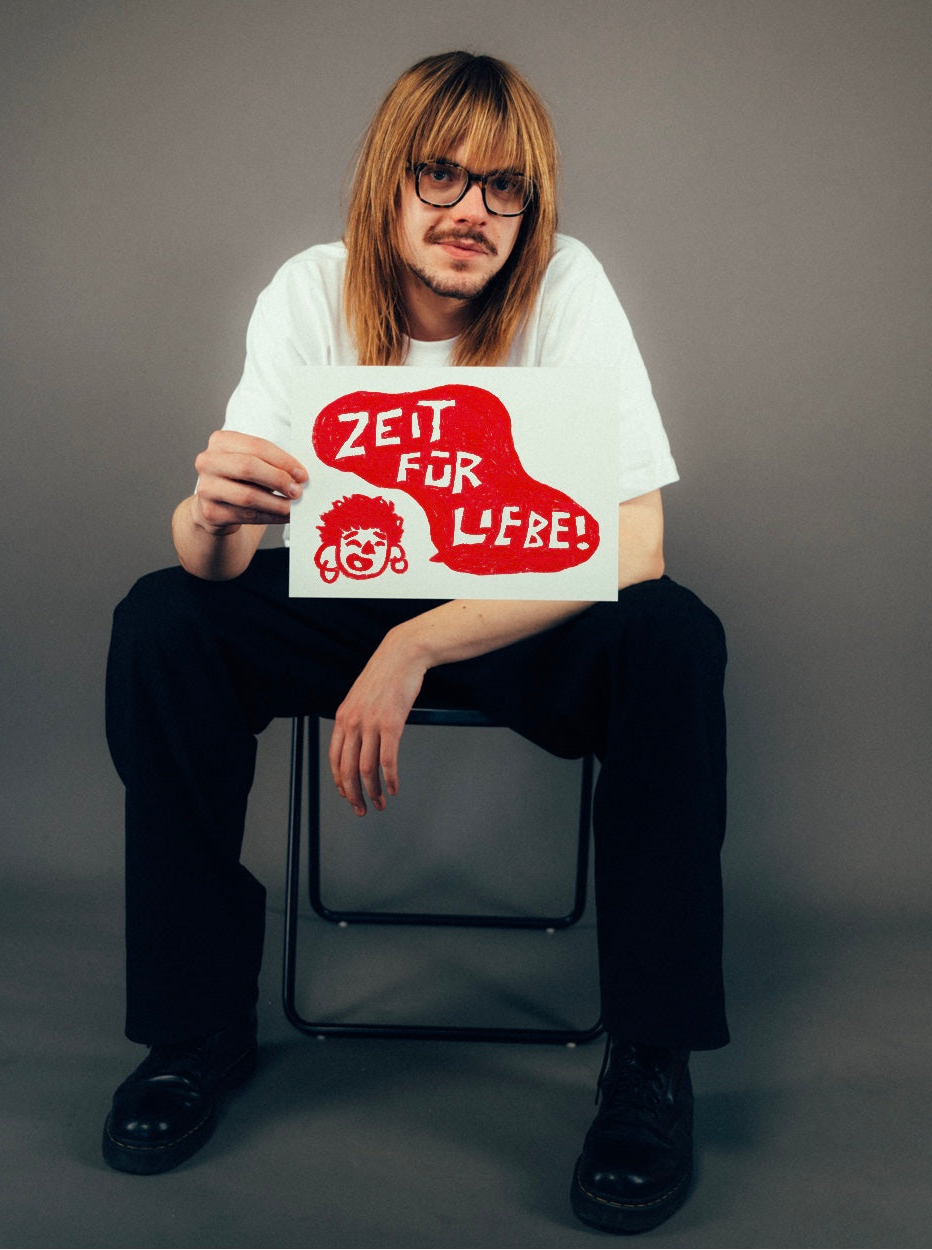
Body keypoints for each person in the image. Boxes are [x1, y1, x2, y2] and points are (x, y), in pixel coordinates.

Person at [102, 51, 728, 1235]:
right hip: (342, 586)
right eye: (442, 174)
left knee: (673, 636)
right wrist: (205, 514)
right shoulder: (308, 289)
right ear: (390, 180)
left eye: (503, 189)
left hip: (511, 604)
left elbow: (633, 538)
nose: (470, 213)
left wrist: (419, 647)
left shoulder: (567, 287)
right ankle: (194, 1027)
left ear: (528, 210)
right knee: (163, 618)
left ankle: (650, 1060)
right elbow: (219, 562)